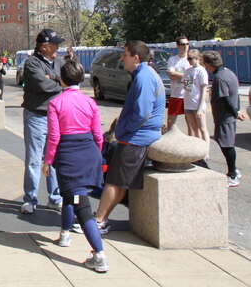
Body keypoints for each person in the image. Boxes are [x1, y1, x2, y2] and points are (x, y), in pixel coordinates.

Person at [43, 59, 108, 273]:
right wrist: (97, 156)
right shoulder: (90, 103)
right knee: (70, 195)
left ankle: (99, 254)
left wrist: (48, 160)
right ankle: (64, 234)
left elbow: (54, 136)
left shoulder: (56, 103)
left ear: (61, 79)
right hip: (89, 152)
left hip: (68, 155)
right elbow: (98, 135)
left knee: (81, 205)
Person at [95, 40, 164, 232]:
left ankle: (99, 220)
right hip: (137, 137)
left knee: (113, 182)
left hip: (135, 138)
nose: (122, 58)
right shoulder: (147, 74)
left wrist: (123, 130)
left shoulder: (143, 77)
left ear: (136, 57)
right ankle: (102, 218)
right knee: (120, 182)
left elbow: (142, 113)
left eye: (125, 54)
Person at [20, 28, 65, 214]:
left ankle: (55, 198)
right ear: (45, 46)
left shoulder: (59, 61)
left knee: (53, 159)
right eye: (54, 44)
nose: (57, 48)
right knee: (34, 160)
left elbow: (66, 80)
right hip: (36, 116)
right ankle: (30, 199)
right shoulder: (32, 63)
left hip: (55, 117)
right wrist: (58, 83)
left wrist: (54, 78)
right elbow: (42, 85)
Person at [202, 50, 246, 187]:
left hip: (224, 117)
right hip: (224, 116)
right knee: (225, 143)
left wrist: (235, 113)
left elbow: (226, 99)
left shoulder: (219, 77)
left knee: (226, 145)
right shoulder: (227, 72)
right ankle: (233, 170)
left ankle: (232, 174)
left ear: (209, 64)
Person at [184, 49, 210, 145]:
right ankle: (198, 151)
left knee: (202, 129)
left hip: (197, 104)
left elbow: (204, 89)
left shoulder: (201, 71)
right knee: (194, 129)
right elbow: (187, 87)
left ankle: (206, 151)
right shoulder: (188, 71)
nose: (189, 61)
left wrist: (200, 107)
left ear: (197, 58)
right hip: (188, 104)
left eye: (191, 58)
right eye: (188, 58)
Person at [166, 36, 191, 129]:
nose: (185, 46)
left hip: (189, 95)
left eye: (187, 44)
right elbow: (171, 75)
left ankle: (191, 141)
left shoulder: (192, 59)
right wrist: (187, 76)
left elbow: (193, 79)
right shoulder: (173, 60)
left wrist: (178, 75)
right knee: (171, 122)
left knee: (191, 123)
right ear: (177, 46)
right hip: (176, 94)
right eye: (183, 44)